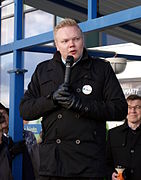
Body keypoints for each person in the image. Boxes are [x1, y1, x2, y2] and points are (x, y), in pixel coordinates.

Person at [19, 18, 127, 180]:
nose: (72, 44)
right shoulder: (43, 70)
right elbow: (25, 110)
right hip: (53, 165)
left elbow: (120, 109)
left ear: (82, 40)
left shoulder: (101, 68)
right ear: (57, 45)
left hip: (88, 163)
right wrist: (52, 100)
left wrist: (82, 105)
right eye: (65, 41)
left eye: (76, 39)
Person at [0, 102, 39, 180]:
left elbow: (36, 162)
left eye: (3, 113)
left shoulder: (27, 135)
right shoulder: (1, 141)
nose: (2, 117)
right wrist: (10, 153)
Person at [106, 94, 141, 180]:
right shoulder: (113, 134)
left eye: (137, 107)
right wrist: (111, 174)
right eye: (129, 107)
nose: (133, 110)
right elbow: (105, 162)